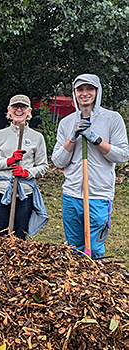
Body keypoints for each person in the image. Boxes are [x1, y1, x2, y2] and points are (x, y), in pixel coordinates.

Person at [52, 74, 129, 258]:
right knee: (74, 249)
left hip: (98, 195)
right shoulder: (66, 123)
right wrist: (72, 137)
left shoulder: (112, 119)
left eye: (90, 89)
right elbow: (58, 161)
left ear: (97, 91)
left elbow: (123, 156)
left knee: (94, 249)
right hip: (71, 195)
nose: (85, 93)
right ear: (74, 93)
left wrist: (95, 138)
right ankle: (79, 285)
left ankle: (95, 282)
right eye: (80, 90)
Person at [0, 95, 49, 239]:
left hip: (24, 193)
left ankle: (18, 260)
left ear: (29, 111)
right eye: (15, 106)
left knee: (20, 233)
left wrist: (26, 172)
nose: (19, 110)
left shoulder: (37, 137)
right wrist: (9, 161)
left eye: (23, 107)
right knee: (3, 232)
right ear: (9, 110)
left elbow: (43, 166)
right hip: (0, 191)